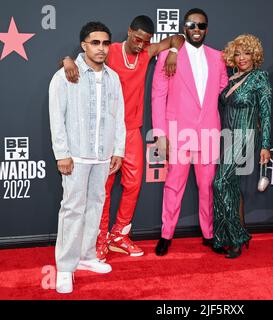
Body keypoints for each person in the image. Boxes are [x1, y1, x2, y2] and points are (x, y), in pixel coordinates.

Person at [62, 16, 184, 261]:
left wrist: (171, 52)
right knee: (102, 188)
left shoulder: (147, 51)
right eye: (137, 38)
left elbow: (178, 38)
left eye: (145, 41)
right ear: (128, 32)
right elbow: (84, 57)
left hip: (132, 131)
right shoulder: (111, 50)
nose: (140, 45)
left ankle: (120, 234)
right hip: (106, 132)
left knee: (133, 184)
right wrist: (66, 60)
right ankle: (100, 238)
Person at [49, 21, 126, 293]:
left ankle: (86, 256)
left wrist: (118, 149)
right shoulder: (65, 75)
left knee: (96, 205)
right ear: (84, 45)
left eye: (105, 43)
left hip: (102, 156)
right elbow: (57, 117)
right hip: (76, 157)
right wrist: (62, 154)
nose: (102, 48)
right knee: (71, 210)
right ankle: (65, 268)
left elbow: (118, 118)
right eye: (95, 43)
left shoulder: (113, 78)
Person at [152, 8, 229, 256]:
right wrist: (160, 134)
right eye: (192, 25)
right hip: (177, 133)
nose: (196, 30)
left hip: (208, 132)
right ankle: (166, 234)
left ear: (207, 29)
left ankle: (209, 234)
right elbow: (158, 95)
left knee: (207, 186)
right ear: (184, 27)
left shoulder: (218, 57)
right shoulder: (167, 56)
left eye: (201, 26)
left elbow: (222, 89)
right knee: (174, 186)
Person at [213, 34, 272, 258]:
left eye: (246, 53)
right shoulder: (230, 78)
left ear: (254, 55)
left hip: (245, 137)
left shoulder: (259, 78)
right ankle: (224, 235)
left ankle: (237, 236)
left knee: (219, 182)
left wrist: (266, 145)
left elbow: (266, 114)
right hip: (227, 136)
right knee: (230, 187)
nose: (241, 58)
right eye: (237, 54)